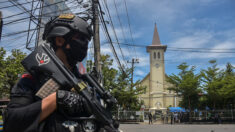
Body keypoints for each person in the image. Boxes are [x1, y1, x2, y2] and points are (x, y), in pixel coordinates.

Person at [3, 14, 94, 132]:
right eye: (81, 39)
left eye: (87, 41)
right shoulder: (33, 78)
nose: (85, 45)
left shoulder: (83, 82)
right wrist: (57, 99)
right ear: (60, 40)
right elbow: (12, 122)